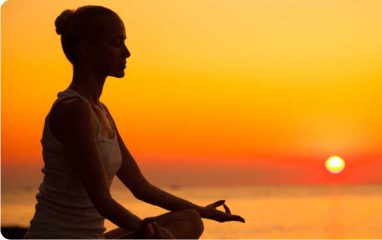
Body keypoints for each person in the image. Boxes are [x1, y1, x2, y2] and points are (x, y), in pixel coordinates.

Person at [24, 5, 245, 239]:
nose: (127, 53)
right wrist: (147, 230)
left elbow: (141, 187)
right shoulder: (73, 111)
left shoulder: (100, 111)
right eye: (117, 43)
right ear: (86, 49)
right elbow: (102, 200)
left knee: (189, 220)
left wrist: (205, 212)